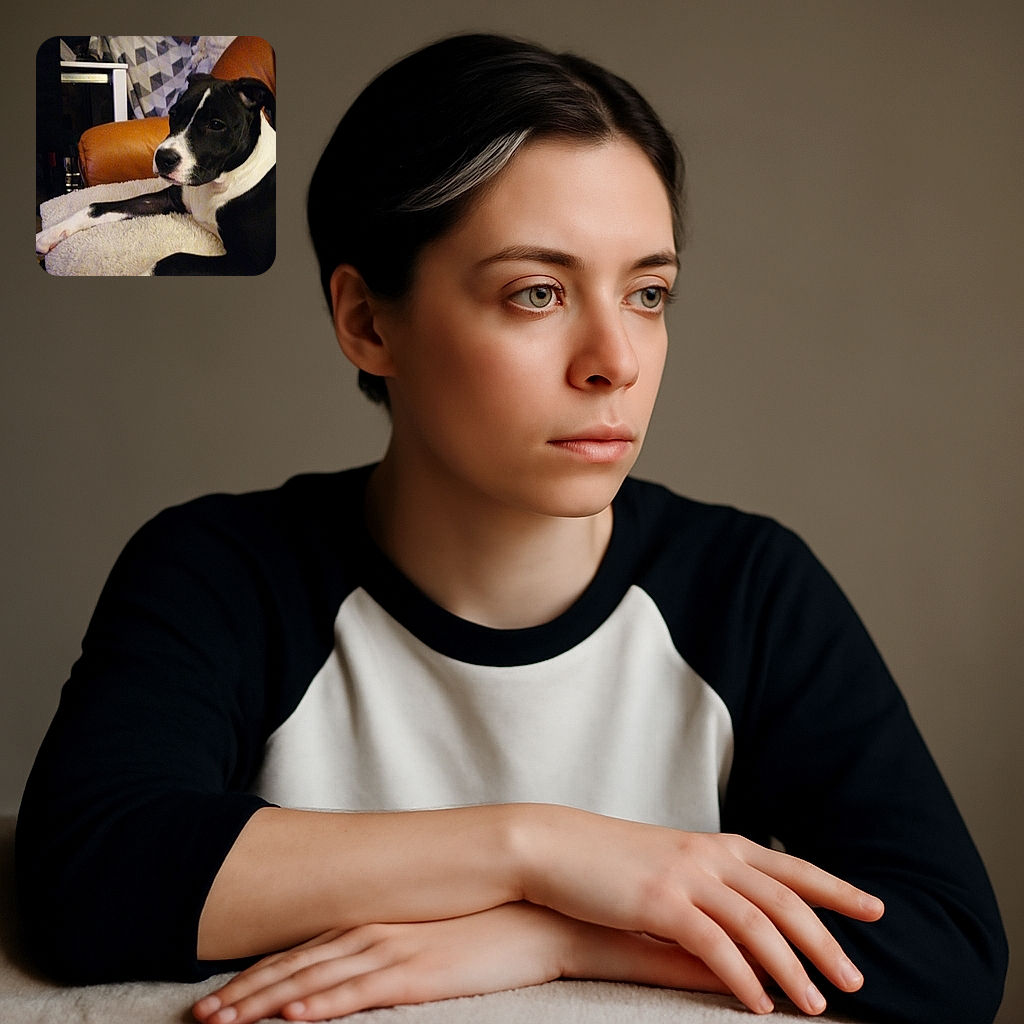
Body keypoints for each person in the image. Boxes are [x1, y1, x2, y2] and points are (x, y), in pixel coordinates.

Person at [17, 32, 1006, 1024]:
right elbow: (85, 880)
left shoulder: (746, 588)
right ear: (367, 321)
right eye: (537, 291)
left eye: (648, 294)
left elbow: (948, 949)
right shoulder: (223, 571)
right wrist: (543, 850)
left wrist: (560, 933)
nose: (614, 359)